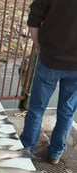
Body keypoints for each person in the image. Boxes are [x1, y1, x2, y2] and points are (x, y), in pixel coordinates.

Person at [20, 0, 77, 164]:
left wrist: (38, 45)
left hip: (50, 59)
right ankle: (56, 153)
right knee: (67, 111)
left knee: (37, 108)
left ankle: (27, 148)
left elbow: (34, 17)